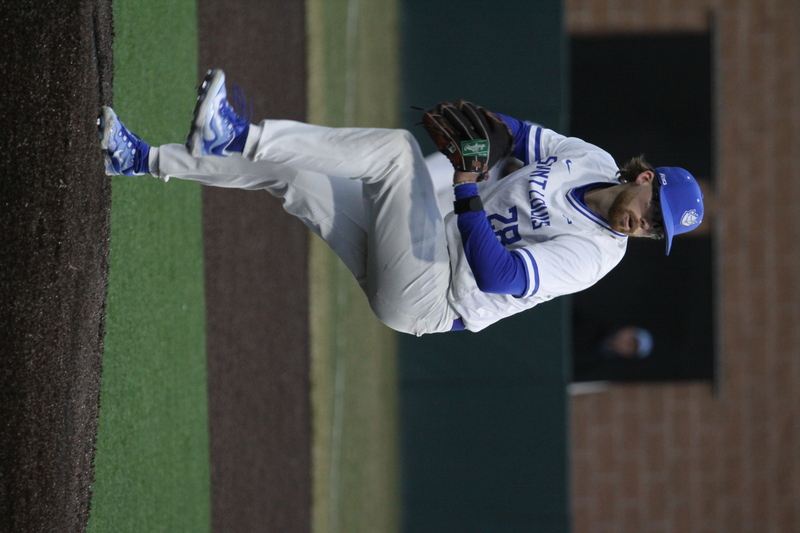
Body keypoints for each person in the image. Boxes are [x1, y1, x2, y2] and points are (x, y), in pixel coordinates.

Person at [98, 69, 704, 336]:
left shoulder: (598, 256)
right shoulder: (591, 160)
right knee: (292, 175)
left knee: (395, 154)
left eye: (656, 233)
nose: (644, 226)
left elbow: (497, 276)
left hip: (430, 296)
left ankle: (238, 132)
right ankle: (139, 158)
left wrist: (467, 183)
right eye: (654, 214)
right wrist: (484, 126)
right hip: (418, 244)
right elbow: (515, 135)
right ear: (646, 179)